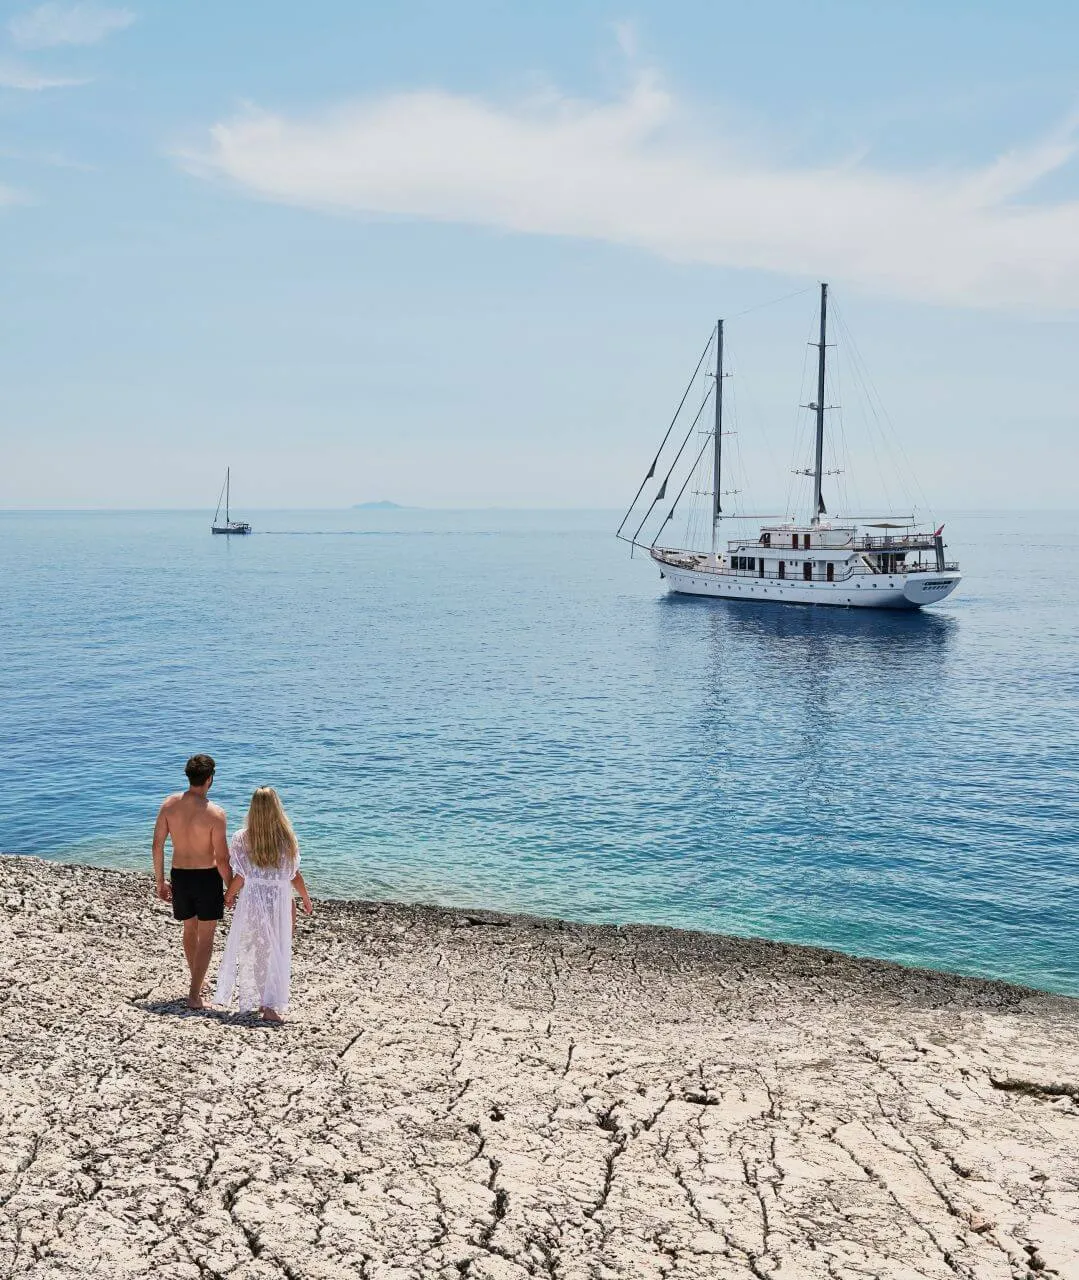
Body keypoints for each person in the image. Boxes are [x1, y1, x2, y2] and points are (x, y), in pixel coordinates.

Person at [214, 786, 313, 1023]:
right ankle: (269, 1005)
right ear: (277, 808)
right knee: (277, 950)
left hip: (253, 900)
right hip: (279, 900)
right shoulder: (287, 837)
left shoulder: (242, 838)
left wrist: (229, 895)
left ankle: (262, 999)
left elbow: (242, 876)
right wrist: (306, 898)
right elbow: (293, 875)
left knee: (259, 950)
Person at [152, 754, 230, 1009]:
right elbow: (221, 858)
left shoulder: (169, 805)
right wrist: (231, 888)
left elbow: (157, 845)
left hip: (180, 874)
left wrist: (160, 881)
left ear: (188, 776)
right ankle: (195, 995)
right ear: (210, 779)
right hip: (206, 878)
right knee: (206, 938)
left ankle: (198, 977)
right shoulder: (215, 814)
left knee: (189, 930)